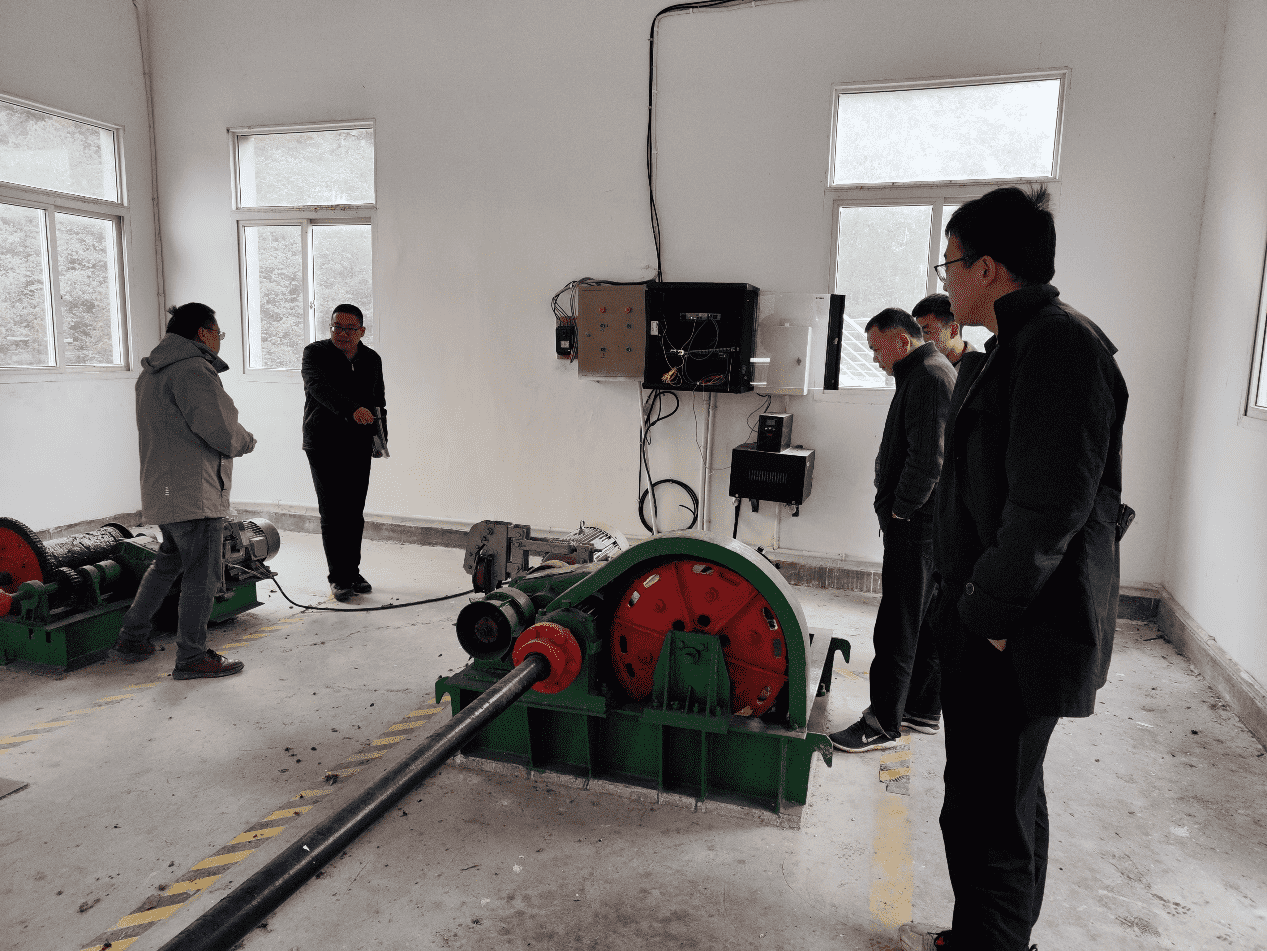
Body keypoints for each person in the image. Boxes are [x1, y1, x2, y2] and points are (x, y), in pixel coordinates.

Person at [899, 187, 1128, 951]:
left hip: (1013, 627)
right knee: (1005, 795)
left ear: (987, 268)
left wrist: (989, 618)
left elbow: (1047, 507)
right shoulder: (1016, 346)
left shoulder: (1059, 347)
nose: (944, 278)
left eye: (949, 262)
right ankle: (993, 936)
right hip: (992, 613)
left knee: (987, 804)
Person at [829, 308, 954, 753]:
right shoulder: (927, 371)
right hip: (926, 525)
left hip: (916, 526)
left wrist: (900, 512)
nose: (874, 358)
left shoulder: (929, 377)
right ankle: (921, 709)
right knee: (923, 619)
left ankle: (882, 723)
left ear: (901, 341)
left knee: (897, 626)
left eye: (876, 348)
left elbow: (928, 460)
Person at [112, 303, 256, 680]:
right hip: (195, 493)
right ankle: (192, 656)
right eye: (218, 333)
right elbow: (221, 429)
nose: (219, 340)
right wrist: (246, 441)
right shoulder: (193, 370)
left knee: (167, 564)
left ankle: (132, 637)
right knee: (202, 576)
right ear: (204, 333)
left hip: (164, 490)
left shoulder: (151, 373)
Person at [301, 304, 387, 602]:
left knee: (353, 512)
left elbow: (378, 401)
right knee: (333, 513)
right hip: (323, 443)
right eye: (336, 327)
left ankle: (352, 572)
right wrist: (352, 409)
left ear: (361, 331)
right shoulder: (315, 353)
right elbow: (319, 389)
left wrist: (380, 438)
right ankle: (338, 578)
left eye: (349, 329)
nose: (342, 333)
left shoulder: (371, 359)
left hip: (358, 444)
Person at [912, 293, 975, 366]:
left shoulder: (980, 368)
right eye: (918, 333)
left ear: (953, 330)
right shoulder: (923, 364)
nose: (920, 341)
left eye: (927, 332)